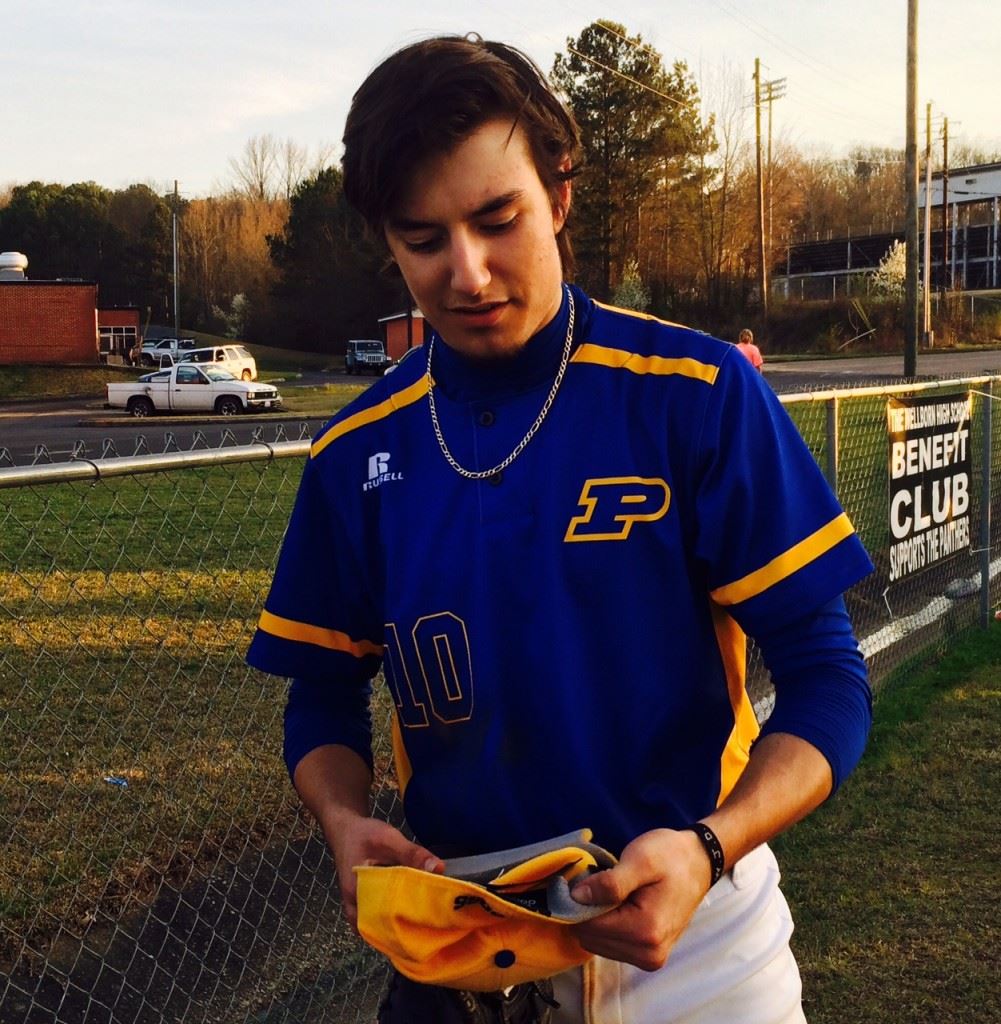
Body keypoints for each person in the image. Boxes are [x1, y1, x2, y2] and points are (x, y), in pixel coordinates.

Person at [247, 34, 874, 1024]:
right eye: (421, 239)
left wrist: (709, 845)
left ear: (559, 191)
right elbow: (321, 698)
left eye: (497, 219)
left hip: (697, 952)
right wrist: (341, 816)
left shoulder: (695, 395)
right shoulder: (351, 454)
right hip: (460, 958)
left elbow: (827, 674)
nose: (466, 271)